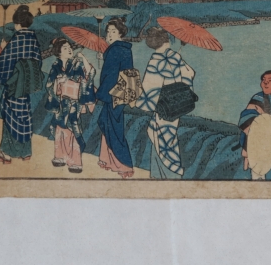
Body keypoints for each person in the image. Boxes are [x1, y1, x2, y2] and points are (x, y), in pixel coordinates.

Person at [137, 27, 195, 179]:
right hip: (178, 103)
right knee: (167, 137)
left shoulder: (156, 60)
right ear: (166, 40)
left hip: (164, 106)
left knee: (160, 136)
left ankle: (168, 173)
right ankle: (163, 173)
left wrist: (143, 103)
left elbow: (150, 89)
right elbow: (190, 73)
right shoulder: (174, 56)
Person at [0, 6, 41, 164]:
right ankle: (25, 152)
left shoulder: (16, 39)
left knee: (10, 114)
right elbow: (37, 61)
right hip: (26, 85)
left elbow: (6, 61)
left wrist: (3, 48)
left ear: (17, 24)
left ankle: (7, 153)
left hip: (14, 84)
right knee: (25, 115)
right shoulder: (33, 39)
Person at [45, 38, 96, 173]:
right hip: (61, 102)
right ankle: (60, 157)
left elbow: (90, 73)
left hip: (74, 102)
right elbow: (49, 85)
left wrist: (83, 58)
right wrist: (58, 81)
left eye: (69, 47)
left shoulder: (76, 63)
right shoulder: (55, 66)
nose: (69, 50)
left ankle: (75, 162)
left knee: (72, 129)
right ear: (59, 52)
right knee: (59, 129)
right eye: (65, 48)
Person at [95, 17, 135, 178]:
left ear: (120, 33)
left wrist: (100, 94)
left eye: (113, 31)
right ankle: (107, 159)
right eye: (108, 31)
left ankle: (124, 165)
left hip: (112, 94)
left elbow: (110, 76)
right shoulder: (125, 48)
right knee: (106, 122)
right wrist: (104, 57)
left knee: (113, 127)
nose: (109, 34)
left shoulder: (114, 50)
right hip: (122, 93)